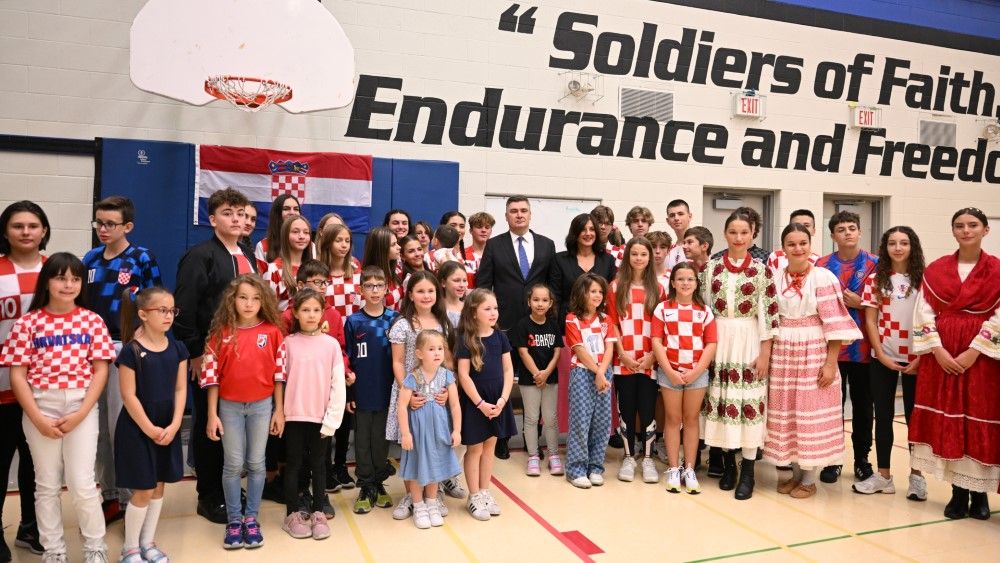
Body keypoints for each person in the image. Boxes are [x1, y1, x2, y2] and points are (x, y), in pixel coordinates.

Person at [2, 252, 116, 563]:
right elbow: (17, 375)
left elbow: (101, 371)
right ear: (46, 282)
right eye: (60, 278)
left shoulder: (92, 320)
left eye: (75, 279)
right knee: (46, 485)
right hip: (40, 407)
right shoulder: (28, 323)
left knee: (83, 484)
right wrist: (37, 418)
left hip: (81, 406)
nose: (68, 285)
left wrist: (80, 413)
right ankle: (53, 551)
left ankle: (95, 548)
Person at [909, 208, 1000, 520]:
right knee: (949, 419)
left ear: (985, 230)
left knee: (978, 418)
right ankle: (958, 493)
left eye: (973, 225)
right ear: (952, 231)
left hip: (982, 359)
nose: (966, 230)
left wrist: (975, 351)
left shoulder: (997, 270)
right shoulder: (936, 270)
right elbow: (923, 313)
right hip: (943, 357)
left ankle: (979, 494)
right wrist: (938, 351)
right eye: (959, 225)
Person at [174, 187, 255, 524]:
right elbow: (184, 309)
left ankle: (229, 487)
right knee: (212, 426)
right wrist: (195, 353)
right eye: (227, 213)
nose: (236, 219)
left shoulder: (246, 252)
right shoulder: (200, 256)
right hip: (210, 356)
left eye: (240, 214)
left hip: (243, 356)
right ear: (212, 219)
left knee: (235, 424)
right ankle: (209, 495)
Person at [764, 224, 862, 499]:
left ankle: (809, 478)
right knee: (787, 411)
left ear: (810, 244)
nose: (798, 248)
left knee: (810, 411)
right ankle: (795, 474)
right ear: (783, 248)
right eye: (792, 244)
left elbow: (834, 323)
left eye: (803, 243)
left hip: (813, 350)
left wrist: (830, 364)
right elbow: (769, 316)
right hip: (783, 351)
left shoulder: (823, 277)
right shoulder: (774, 277)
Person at [83, 195, 163, 523]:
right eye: (99, 223)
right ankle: (110, 494)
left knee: (123, 426)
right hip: (91, 351)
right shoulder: (90, 259)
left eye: (110, 224)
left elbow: (157, 304)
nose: (103, 229)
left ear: (127, 226)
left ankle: (132, 498)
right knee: (99, 428)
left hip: (125, 349)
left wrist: (146, 349)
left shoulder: (141, 258)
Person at [200, 274, 286, 549]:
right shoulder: (221, 332)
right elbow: (212, 378)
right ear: (232, 300)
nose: (249, 304)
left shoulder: (272, 332)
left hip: (262, 406)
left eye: (256, 298)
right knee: (233, 465)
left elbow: (279, 375)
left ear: (263, 301)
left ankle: (251, 519)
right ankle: (234, 520)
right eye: (243, 298)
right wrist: (212, 414)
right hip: (229, 408)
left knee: (257, 463)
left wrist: (279, 410)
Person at [702, 209, 778, 500]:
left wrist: (765, 354)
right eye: (733, 232)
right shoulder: (712, 268)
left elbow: (769, 314)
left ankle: (748, 471)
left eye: (744, 232)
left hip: (749, 339)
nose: (738, 237)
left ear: (752, 235)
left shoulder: (762, 270)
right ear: (725, 234)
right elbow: (704, 309)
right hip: (719, 339)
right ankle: (728, 466)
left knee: (748, 404)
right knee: (722, 402)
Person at [476, 196, 556, 459]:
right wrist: (487, 320)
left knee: (537, 381)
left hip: (538, 327)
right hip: (504, 326)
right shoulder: (494, 245)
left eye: (523, 210)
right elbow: (483, 285)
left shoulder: (546, 245)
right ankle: (502, 437)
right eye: (513, 211)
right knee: (503, 382)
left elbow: (551, 286)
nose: (519, 215)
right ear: (506, 216)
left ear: (530, 214)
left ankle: (534, 439)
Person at [114, 286, 187, 563]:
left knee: (158, 486)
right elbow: (128, 395)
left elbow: (180, 389)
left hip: (167, 426)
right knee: (143, 488)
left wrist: (175, 423)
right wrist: (148, 428)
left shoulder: (178, 348)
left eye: (172, 310)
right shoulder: (131, 351)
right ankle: (130, 548)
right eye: (162, 310)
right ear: (143, 314)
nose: (169, 316)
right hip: (138, 428)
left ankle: (147, 543)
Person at [855, 226, 925, 498]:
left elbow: (931, 320)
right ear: (885, 247)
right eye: (892, 243)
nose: (898, 248)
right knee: (883, 417)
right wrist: (880, 353)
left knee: (915, 419)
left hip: (917, 358)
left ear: (912, 246)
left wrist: (921, 355)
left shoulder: (925, 279)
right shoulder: (876, 279)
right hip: (883, 357)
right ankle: (884, 476)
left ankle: (917, 477)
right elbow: (870, 320)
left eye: (904, 243)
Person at [277, 260, 352, 499]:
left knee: (320, 458)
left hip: (321, 404)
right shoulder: (287, 325)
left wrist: (345, 370)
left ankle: (321, 500)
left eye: (324, 282)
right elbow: (281, 371)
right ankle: (299, 499)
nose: (321, 286)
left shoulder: (333, 318)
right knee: (295, 460)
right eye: (316, 282)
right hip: (296, 409)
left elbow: (339, 350)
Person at [387, 272, 457, 520]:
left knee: (434, 445)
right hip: (410, 392)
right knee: (413, 447)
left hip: (436, 394)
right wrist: (408, 391)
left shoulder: (443, 322)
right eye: (420, 291)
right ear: (410, 295)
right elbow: (397, 362)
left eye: (431, 291)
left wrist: (446, 390)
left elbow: (448, 360)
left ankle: (432, 496)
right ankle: (412, 497)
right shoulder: (403, 325)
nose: (426, 296)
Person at [815, 210, 878, 484]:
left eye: (852, 228)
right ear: (833, 235)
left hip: (865, 349)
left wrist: (861, 304)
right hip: (832, 350)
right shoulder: (822, 265)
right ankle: (833, 460)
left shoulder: (876, 264)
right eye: (841, 229)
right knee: (832, 408)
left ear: (860, 232)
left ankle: (862, 460)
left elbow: (886, 304)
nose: (847, 233)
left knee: (863, 408)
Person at [0, 201, 47, 559]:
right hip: (2, 387)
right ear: (6, 231)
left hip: (45, 390)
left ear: (44, 230)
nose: (26, 232)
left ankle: (31, 529)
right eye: (18, 226)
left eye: (33, 225)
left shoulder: (56, 271)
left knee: (38, 467)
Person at [280, 289, 346, 541]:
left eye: (316, 310)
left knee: (319, 466)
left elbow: (338, 385)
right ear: (295, 313)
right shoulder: (287, 343)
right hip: (294, 417)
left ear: (322, 313)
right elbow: (280, 381)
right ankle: (292, 514)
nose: (311, 315)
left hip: (321, 419)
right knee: (294, 466)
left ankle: (318, 512)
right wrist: (280, 413)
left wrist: (332, 421)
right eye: (305, 310)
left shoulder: (331, 345)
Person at [652, 262, 717, 494]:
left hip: (696, 374)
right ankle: (673, 468)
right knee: (672, 419)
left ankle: (689, 469)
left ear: (696, 283)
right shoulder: (662, 308)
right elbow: (656, 341)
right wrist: (669, 371)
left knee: (690, 420)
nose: (685, 283)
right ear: (673, 283)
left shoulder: (705, 311)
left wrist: (697, 371)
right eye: (680, 279)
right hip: (669, 373)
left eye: (690, 279)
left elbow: (711, 343)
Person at [607, 237, 665, 484]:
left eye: (643, 254)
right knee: (627, 409)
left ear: (650, 257)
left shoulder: (659, 288)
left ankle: (648, 458)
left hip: (649, 358)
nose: (639, 258)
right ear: (627, 257)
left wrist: (653, 355)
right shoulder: (615, 287)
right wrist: (622, 353)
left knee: (648, 409)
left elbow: (662, 326)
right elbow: (612, 322)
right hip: (625, 359)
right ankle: (629, 457)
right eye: (634, 254)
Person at [456, 289, 517, 520]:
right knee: (475, 449)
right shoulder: (466, 339)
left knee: (490, 447)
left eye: (495, 308)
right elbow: (463, 375)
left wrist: (502, 400)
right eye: (487, 308)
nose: (494, 313)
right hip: (476, 402)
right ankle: (473, 496)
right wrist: (480, 403)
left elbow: (508, 370)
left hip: (497, 401)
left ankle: (484, 491)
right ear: (474, 312)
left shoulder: (500, 336)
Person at [345, 267, 399, 514]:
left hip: (388, 392)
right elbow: (348, 361)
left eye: (379, 285)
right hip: (362, 393)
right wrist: (350, 394)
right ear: (361, 290)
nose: (374, 290)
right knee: (363, 441)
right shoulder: (354, 321)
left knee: (380, 440)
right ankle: (365, 485)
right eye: (369, 286)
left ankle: (378, 482)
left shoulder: (394, 320)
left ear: (386, 288)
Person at [398, 330, 462, 529]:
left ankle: (432, 503)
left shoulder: (447, 376)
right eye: (431, 349)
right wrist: (406, 433)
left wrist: (457, 430)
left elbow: (455, 405)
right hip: (418, 433)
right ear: (419, 353)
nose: (437, 353)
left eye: (440, 348)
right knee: (417, 468)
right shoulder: (413, 377)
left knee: (435, 467)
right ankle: (418, 506)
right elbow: (402, 406)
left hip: (438, 431)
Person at [564, 273, 618, 489]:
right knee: (580, 421)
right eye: (592, 291)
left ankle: (595, 467)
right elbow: (578, 349)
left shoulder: (606, 320)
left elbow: (610, 348)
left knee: (602, 422)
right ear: (581, 293)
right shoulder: (572, 319)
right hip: (582, 373)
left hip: (603, 373)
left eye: (600, 291)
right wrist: (597, 372)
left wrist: (602, 373)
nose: (597, 295)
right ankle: (576, 469)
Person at [511, 284, 563, 477]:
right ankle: (533, 456)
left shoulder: (553, 325)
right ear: (529, 302)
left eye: (544, 300)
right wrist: (537, 374)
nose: (540, 304)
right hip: (529, 380)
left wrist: (546, 373)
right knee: (531, 418)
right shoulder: (522, 325)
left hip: (550, 379)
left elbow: (557, 351)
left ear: (550, 303)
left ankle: (554, 455)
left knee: (550, 418)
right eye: (536, 300)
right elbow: (523, 352)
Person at [264, 215, 314, 311]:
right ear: (285, 236)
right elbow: (267, 310)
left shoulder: (313, 268)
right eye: (295, 232)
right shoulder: (273, 269)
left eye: (306, 232)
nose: (302, 236)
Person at [319, 223, 362, 323]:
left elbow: (362, 305)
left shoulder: (357, 273)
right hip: (326, 328)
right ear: (327, 243)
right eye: (338, 240)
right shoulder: (317, 274)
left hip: (352, 328)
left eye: (347, 241)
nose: (344, 245)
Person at [255, 194, 303, 272]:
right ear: (277, 214)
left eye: (296, 209)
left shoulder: (309, 245)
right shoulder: (262, 246)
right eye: (286, 209)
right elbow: (259, 278)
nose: (292, 212)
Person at [361, 227, 403, 311]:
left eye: (397, 243)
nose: (399, 247)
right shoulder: (367, 278)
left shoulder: (396, 270)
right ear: (381, 249)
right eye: (393, 244)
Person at [464, 211, 494, 288]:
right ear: (471, 231)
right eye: (479, 227)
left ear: (491, 231)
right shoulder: (461, 255)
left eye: (487, 227)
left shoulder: (497, 255)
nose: (483, 230)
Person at [665, 200, 694, 270]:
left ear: (690, 216)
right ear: (668, 221)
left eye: (680, 214)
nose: (676, 218)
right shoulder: (668, 250)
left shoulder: (699, 245)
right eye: (672, 215)